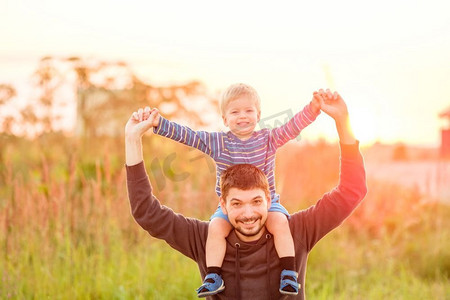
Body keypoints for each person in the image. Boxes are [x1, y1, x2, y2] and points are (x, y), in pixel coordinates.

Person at [125, 89, 367, 299]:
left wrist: (342, 122)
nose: (248, 213)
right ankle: (213, 277)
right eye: (237, 203)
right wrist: (133, 139)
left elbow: (351, 191)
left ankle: (288, 273)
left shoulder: (297, 232)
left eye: (257, 201)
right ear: (223, 202)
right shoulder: (206, 238)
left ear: (269, 199)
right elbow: (146, 212)